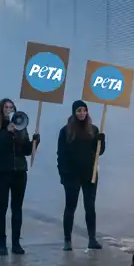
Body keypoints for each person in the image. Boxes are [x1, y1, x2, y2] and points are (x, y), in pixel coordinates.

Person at [0, 98, 37, 256]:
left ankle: (16, 243)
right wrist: (7, 132)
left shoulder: (21, 127)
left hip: (19, 172)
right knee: (2, 208)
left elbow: (27, 151)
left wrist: (35, 142)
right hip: (2, 172)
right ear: (1, 110)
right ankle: (2, 243)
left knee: (17, 208)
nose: (9, 109)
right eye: (6, 107)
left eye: (11, 107)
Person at [57, 100, 105, 251]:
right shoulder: (66, 131)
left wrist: (101, 141)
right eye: (79, 111)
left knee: (90, 207)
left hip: (89, 174)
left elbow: (99, 152)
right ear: (74, 112)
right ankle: (67, 240)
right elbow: (61, 154)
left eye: (84, 110)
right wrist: (63, 174)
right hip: (71, 175)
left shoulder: (93, 129)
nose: (82, 113)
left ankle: (92, 238)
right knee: (70, 206)